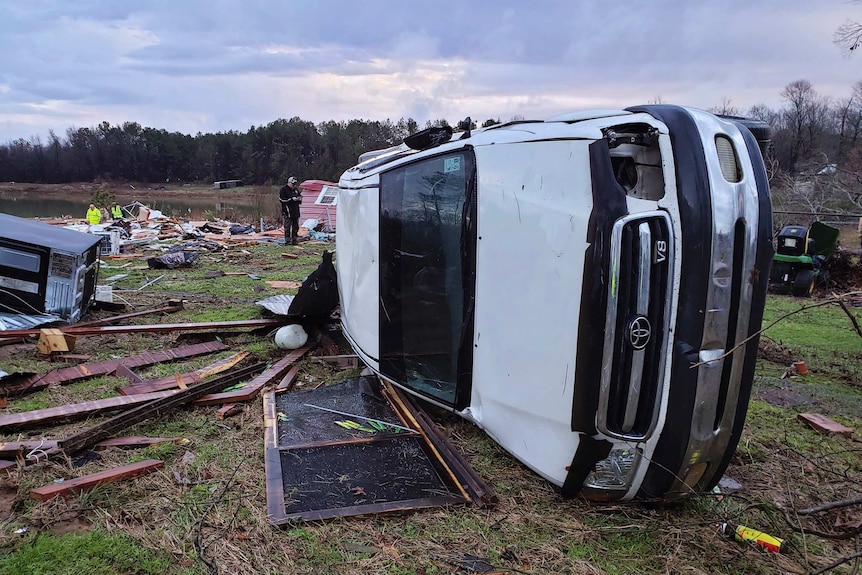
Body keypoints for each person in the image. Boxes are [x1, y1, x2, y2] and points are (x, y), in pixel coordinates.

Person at [279, 176, 302, 245]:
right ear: (289, 183)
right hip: (288, 211)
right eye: (293, 184)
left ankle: (294, 240)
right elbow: (282, 199)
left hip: (295, 211)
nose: (294, 185)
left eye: (295, 184)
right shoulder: (283, 189)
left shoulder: (296, 189)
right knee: (287, 226)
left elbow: (299, 196)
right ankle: (287, 241)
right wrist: (292, 199)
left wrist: (299, 199)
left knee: (296, 226)